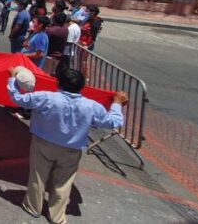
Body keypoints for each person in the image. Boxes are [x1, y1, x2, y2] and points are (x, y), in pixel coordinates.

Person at [8, 68, 127, 224]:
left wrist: (12, 80)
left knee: (38, 176)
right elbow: (114, 122)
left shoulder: (46, 97)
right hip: (71, 149)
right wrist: (117, 103)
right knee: (63, 182)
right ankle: (56, 215)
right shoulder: (91, 106)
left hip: (44, 143)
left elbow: (18, 98)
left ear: (58, 83)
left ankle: (33, 206)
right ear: (82, 87)